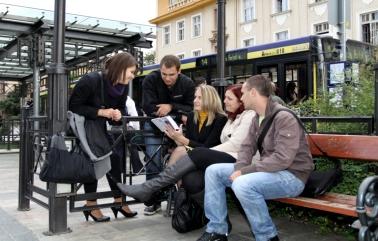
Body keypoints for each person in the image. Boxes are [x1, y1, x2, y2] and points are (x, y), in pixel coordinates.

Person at [196, 75, 314, 241]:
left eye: (243, 93)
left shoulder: (284, 117)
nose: (241, 97)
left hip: (292, 176)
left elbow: (282, 159)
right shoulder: (257, 117)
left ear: (253, 93)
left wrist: (245, 172)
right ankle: (217, 230)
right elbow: (246, 148)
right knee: (213, 171)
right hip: (270, 172)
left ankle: (267, 237)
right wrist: (238, 169)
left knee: (243, 184)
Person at [117, 84, 255, 211]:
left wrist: (184, 141)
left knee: (183, 151)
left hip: (220, 159)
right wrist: (176, 137)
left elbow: (215, 146)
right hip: (199, 159)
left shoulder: (222, 119)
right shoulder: (196, 117)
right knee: (190, 179)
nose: (195, 100)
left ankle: (154, 189)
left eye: (200, 98)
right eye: (195, 97)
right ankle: (209, 217)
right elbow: (190, 144)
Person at [68, 52, 138, 222]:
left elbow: (121, 108)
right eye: (131, 71)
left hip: (98, 129)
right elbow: (74, 106)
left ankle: (118, 201)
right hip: (82, 130)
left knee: (114, 159)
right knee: (94, 161)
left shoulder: (122, 87)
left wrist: (117, 114)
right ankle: (91, 205)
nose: (133, 76)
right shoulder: (91, 80)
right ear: (120, 68)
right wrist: (101, 112)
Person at [142, 55, 195, 215]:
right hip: (153, 126)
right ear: (160, 70)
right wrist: (180, 111)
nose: (167, 78)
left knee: (180, 161)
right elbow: (147, 106)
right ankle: (152, 201)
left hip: (179, 128)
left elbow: (192, 108)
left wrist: (171, 107)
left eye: (171, 74)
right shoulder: (150, 80)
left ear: (179, 71)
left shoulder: (187, 83)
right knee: (152, 161)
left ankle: (176, 198)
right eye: (164, 74)